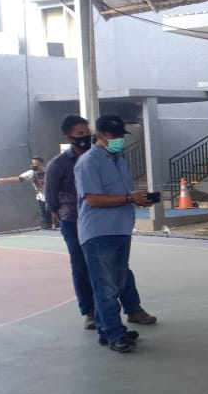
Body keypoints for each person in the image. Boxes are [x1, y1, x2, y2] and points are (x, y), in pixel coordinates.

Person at [46, 115, 157, 332]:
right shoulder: (63, 164)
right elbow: (54, 200)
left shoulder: (114, 158)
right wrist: (69, 222)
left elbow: (123, 190)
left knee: (119, 271)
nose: (84, 136)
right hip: (78, 222)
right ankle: (96, 317)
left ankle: (131, 309)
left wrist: (134, 198)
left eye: (86, 131)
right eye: (79, 134)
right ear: (68, 137)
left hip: (115, 225)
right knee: (87, 271)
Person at [75, 115, 155, 353]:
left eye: (121, 135)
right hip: (98, 232)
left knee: (117, 282)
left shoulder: (119, 159)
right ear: (100, 135)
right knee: (106, 287)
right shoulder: (88, 162)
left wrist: (137, 198)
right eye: (114, 135)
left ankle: (107, 329)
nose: (119, 139)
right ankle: (114, 334)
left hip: (120, 229)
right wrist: (129, 198)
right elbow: (92, 199)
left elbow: (123, 193)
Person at [0, 156, 53, 230]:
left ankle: (60, 224)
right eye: (32, 163)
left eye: (35, 164)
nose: (33, 165)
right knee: (45, 213)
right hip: (42, 196)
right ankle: (47, 226)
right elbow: (18, 178)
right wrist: (4, 180)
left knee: (56, 210)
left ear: (41, 163)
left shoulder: (49, 171)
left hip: (52, 194)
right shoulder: (31, 173)